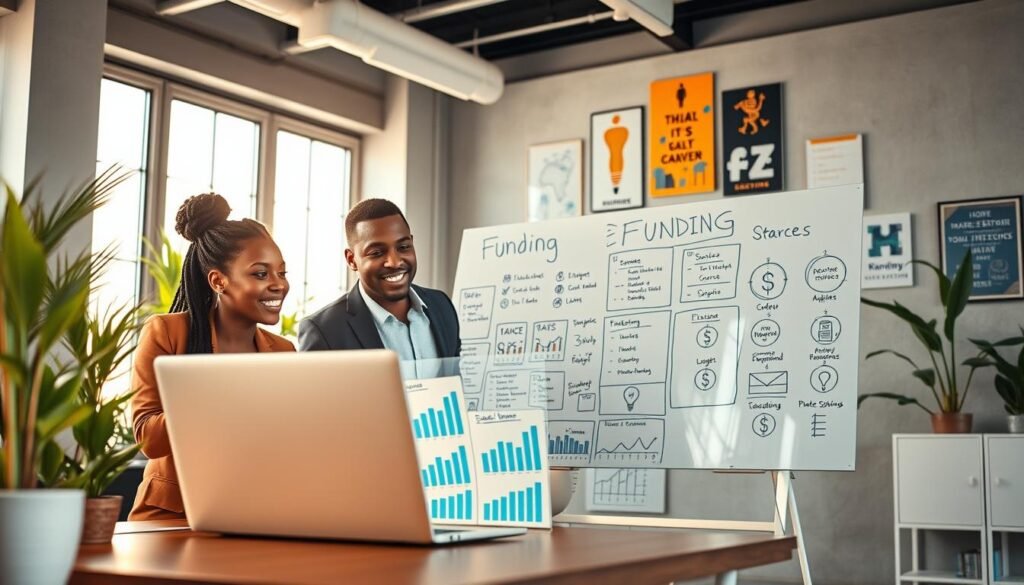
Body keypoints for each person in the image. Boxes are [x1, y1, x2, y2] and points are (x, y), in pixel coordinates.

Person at [129, 193, 294, 521]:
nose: (279, 285)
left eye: (281, 273)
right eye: (261, 274)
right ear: (219, 281)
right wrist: (221, 389)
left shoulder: (284, 351)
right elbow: (148, 438)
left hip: (255, 513)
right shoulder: (167, 333)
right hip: (170, 515)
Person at [298, 198, 460, 359]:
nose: (395, 262)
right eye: (376, 253)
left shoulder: (442, 305)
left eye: (403, 247)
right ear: (351, 260)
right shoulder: (324, 330)